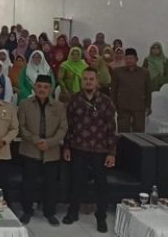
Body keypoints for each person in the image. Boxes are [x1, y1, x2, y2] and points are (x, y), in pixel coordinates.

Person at [62, 68, 117, 233]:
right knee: (76, 182)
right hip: (78, 148)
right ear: (81, 81)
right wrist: (66, 146)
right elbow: (69, 126)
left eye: (91, 79)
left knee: (101, 185)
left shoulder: (106, 102)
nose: (88, 82)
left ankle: (101, 217)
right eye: (85, 79)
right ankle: (73, 212)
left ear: (97, 82)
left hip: (100, 150)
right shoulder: (74, 100)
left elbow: (111, 128)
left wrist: (112, 152)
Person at [17, 75, 68, 226]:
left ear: (50, 89)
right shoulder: (25, 104)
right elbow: (21, 127)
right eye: (39, 86)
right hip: (30, 150)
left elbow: (63, 128)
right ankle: (27, 211)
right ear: (34, 87)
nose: (42, 90)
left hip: (51, 152)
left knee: (51, 185)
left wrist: (50, 142)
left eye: (45, 87)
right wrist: (36, 140)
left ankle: (49, 213)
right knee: (28, 183)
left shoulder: (59, 106)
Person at [112, 48, 151, 132]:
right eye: (127, 58)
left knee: (139, 131)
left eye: (131, 58)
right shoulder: (118, 72)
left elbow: (148, 90)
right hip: (123, 106)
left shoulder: (144, 72)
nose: (129, 60)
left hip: (139, 106)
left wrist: (148, 105)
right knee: (123, 131)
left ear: (136, 59)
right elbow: (113, 89)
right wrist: (113, 104)